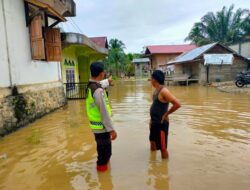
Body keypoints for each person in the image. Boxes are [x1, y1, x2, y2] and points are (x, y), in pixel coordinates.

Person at [86, 62, 117, 172]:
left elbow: (99, 84)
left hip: (96, 127)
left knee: (103, 151)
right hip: (102, 128)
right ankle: (103, 179)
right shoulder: (98, 91)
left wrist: (107, 81)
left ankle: (104, 173)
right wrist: (112, 130)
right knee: (104, 155)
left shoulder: (91, 86)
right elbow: (104, 113)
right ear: (102, 73)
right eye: (104, 72)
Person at [150, 70, 181, 159]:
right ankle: (153, 164)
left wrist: (166, 114)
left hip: (161, 124)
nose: (151, 81)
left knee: (163, 148)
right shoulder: (156, 91)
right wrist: (151, 121)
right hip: (154, 122)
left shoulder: (164, 91)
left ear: (155, 79)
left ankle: (165, 169)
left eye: (151, 79)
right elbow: (155, 106)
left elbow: (177, 104)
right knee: (152, 142)